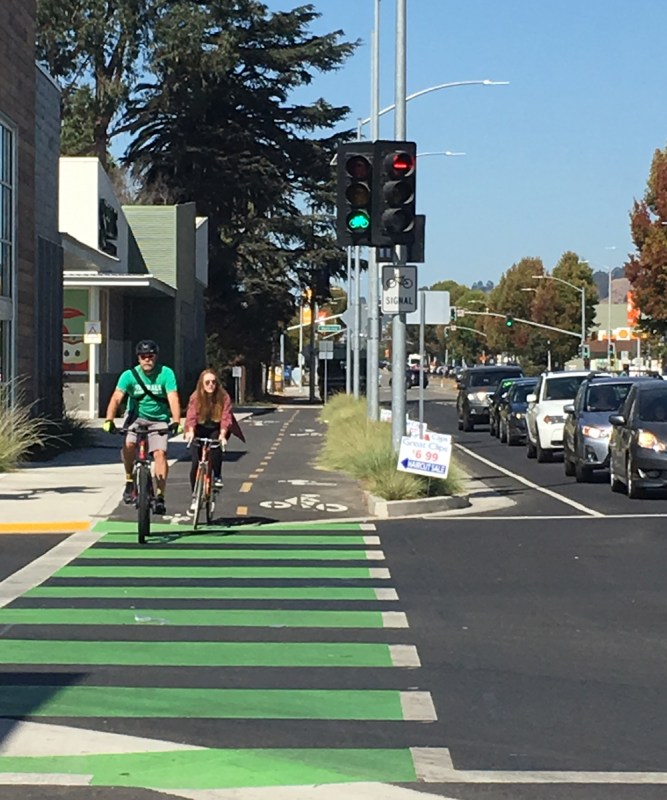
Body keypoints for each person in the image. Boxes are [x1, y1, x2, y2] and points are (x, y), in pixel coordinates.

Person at [103, 339, 181, 515]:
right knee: (129, 444)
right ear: (138, 358)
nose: (147, 359)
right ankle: (130, 479)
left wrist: (176, 421)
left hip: (158, 419)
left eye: (150, 356)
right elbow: (117, 397)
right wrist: (109, 419)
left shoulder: (166, 373)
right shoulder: (129, 375)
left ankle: (160, 495)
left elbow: (173, 397)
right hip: (135, 418)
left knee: (160, 453)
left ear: (156, 357)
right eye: (143, 356)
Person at [184, 369, 233, 510]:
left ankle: (217, 475)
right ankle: (195, 496)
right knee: (195, 463)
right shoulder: (196, 397)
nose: (211, 385)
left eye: (213, 382)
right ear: (202, 384)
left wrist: (223, 435)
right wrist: (191, 432)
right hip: (199, 428)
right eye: (207, 382)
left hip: (215, 427)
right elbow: (191, 416)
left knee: (215, 448)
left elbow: (226, 417)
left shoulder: (223, 397)